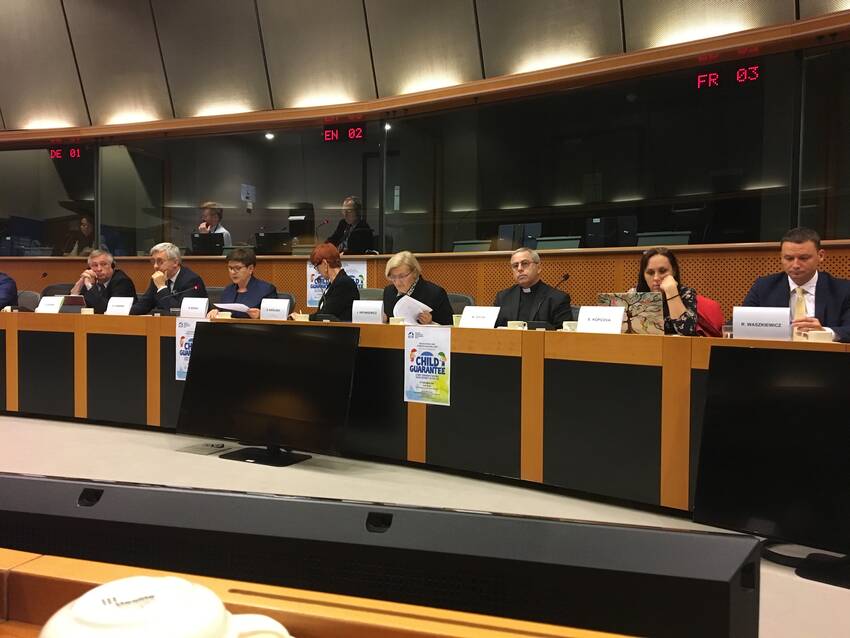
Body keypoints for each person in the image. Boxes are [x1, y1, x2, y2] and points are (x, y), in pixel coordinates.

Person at [743, 227, 850, 342]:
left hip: (824, 353)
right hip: (774, 352)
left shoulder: (843, 290)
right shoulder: (764, 286)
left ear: (820, 256)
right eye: (789, 258)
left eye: (803, 258)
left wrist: (825, 332)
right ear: (781, 257)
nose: (795, 265)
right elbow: (739, 323)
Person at [493, 248, 572, 327]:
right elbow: (493, 329)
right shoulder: (503, 297)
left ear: (538, 268)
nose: (519, 269)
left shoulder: (557, 299)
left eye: (525, 263)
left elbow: (563, 333)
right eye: (515, 265)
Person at [131, 242, 207, 315]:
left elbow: (178, 312)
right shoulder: (158, 279)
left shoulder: (192, 280)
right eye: (153, 262)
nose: (155, 266)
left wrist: (161, 287)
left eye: (160, 262)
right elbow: (143, 305)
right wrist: (125, 311)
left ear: (175, 262)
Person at [635, 247, 697, 336]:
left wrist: (671, 292)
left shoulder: (686, 294)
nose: (656, 278)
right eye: (650, 273)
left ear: (674, 271)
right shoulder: (635, 295)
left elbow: (687, 331)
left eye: (662, 271)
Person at [382, 250, 453, 325]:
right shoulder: (389, 292)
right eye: (393, 277)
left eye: (402, 276)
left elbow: (450, 325)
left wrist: (431, 323)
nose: (397, 282)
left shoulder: (435, 293)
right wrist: (384, 320)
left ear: (414, 273)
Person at [207, 248, 277, 320]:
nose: (233, 272)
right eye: (230, 268)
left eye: (238, 268)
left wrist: (261, 316)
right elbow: (223, 312)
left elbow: (275, 316)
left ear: (250, 269)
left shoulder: (267, 290)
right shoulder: (228, 290)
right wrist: (216, 312)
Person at [69, 249, 137, 314]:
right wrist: (79, 284)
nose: (99, 269)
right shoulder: (89, 280)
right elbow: (69, 309)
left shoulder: (122, 282)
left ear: (112, 266)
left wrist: (90, 286)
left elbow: (106, 310)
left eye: (103, 264)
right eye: (95, 265)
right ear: (89, 268)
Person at [305, 242, 359, 321]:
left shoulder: (344, 284)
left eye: (317, 267)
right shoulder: (333, 283)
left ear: (325, 264)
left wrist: (305, 317)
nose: (317, 271)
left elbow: (327, 314)